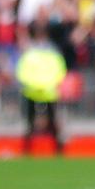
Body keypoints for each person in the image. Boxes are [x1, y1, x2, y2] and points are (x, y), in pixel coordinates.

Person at [15, 29, 67, 157]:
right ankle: (30, 148)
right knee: (31, 122)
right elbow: (22, 72)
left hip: (44, 92)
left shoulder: (38, 55)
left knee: (51, 121)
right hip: (38, 92)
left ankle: (56, 147)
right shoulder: (34, 55)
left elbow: (59, 72)